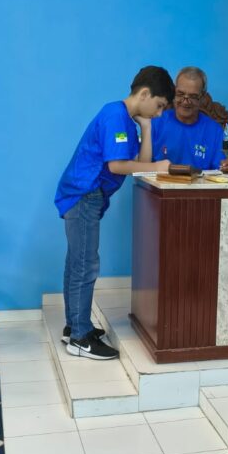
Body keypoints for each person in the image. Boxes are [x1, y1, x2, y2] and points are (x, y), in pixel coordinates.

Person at [55, 66, 174, 360]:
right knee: (85, 265)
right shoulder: (115, 116)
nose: (160, 113)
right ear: (144, 94)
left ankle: (74, 327)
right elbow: (117, 166)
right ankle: (80, 337)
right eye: (159, 106)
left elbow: (140, 163)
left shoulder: (127, 121)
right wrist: (158, 167)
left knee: (77, 263)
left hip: (86, 196)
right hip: (84, 195)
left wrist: (147, 128)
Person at [151, 67, 228, 172]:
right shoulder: (156, 123)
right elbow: (143, 167)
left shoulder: (215, 131)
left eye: (193, 96)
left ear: (202, 97)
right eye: (180, 94)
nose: (185, 102)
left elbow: (221, 169)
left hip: (199, 183)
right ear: (174, 92)